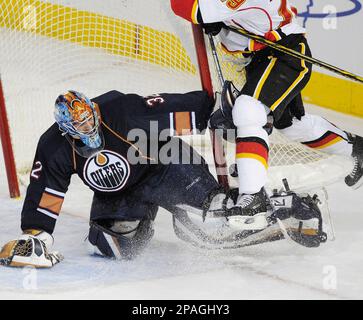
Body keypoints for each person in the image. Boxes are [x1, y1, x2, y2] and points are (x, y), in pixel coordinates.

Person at [0, 89, 327, 268]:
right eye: (80, 126)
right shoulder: (54, 146)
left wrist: (215, 110)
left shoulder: (121, 111)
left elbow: (170, 109)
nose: (89, 128)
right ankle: (149, 214)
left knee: (207, 230)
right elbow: (46, 193)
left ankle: (292, 209)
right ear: (66, 130)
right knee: (112, 247)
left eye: (90, 119)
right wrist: (39, 238)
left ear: (94, 111)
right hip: (119, 196)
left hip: (166, 166)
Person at [170, 0, 363, 231]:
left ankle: (253, 198)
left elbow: (186, 6)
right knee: (293, 126)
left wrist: (213, 18)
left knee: (248, 109)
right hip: (261, 58)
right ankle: (357, 149)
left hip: (285, 54)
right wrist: (220, 24)